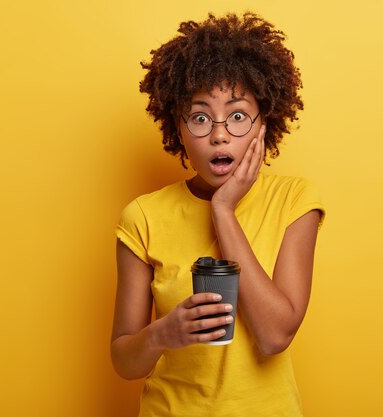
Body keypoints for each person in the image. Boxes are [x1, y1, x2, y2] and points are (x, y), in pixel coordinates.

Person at [111, 12, 325, 417]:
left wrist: (223, 210)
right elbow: (124, 361)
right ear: (179, 126)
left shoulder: (295, 200)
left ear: (266, 122)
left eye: (239, 115)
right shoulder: (142, 216)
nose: (219, 134)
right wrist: (162, 334)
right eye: (201, 117)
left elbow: (275, 335)